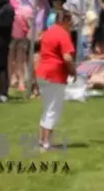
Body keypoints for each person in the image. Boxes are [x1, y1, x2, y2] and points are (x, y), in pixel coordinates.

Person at [36, 9, 76, 149]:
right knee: (53, 108)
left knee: (47, 107)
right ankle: (46, 142)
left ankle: (42, 139)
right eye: (70, 21)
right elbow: (67, 57)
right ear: (64, 21)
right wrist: (73, 71)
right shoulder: (63, 34)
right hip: (55, 74)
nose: (71, 24)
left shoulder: (48, 32)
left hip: (42, 72)